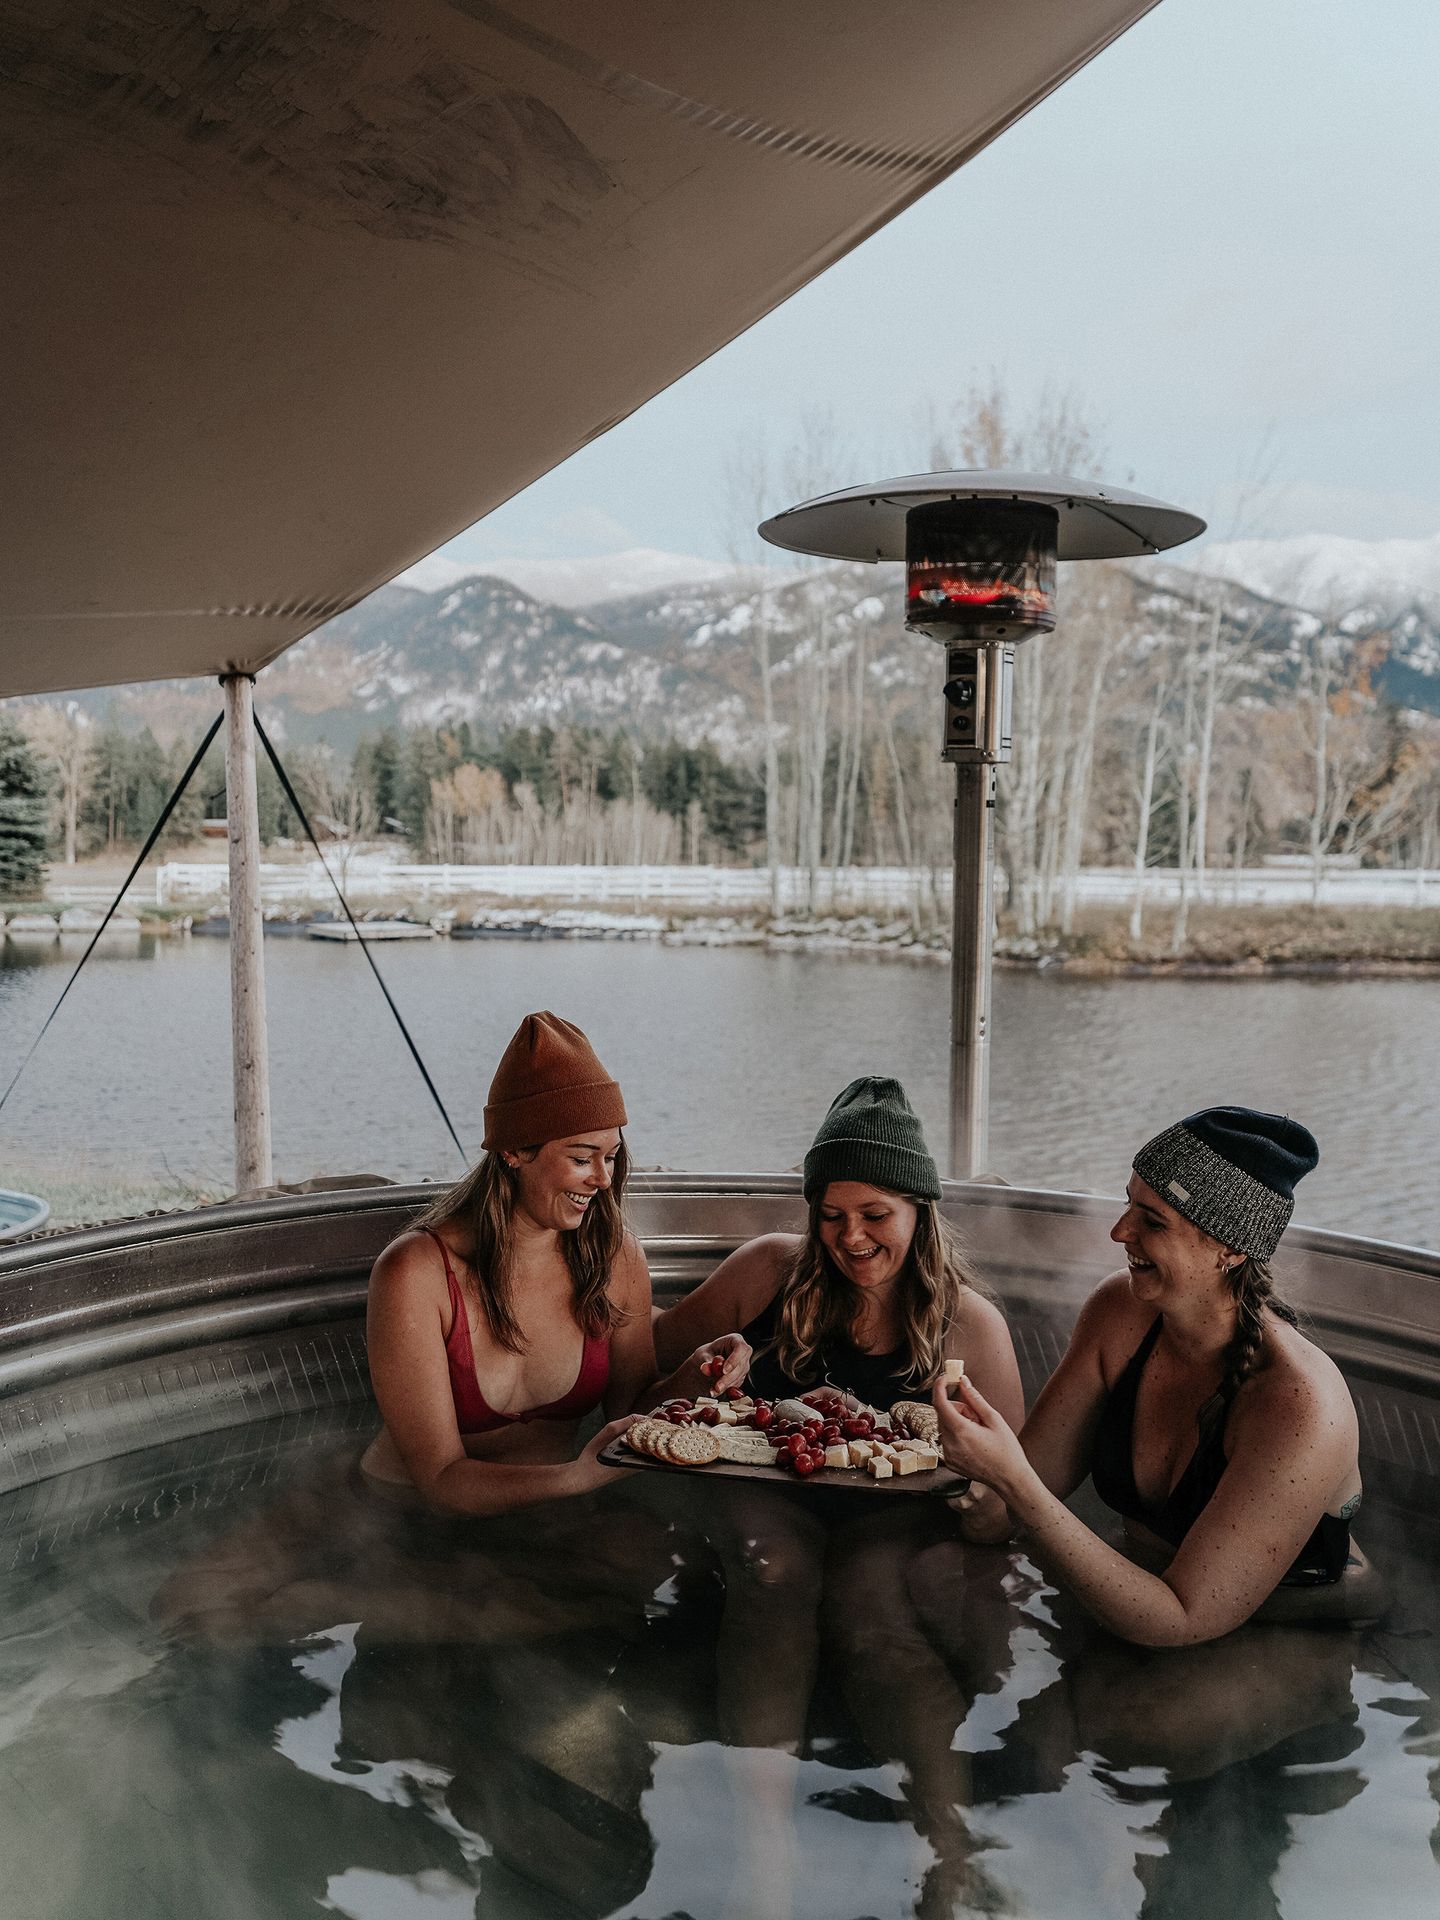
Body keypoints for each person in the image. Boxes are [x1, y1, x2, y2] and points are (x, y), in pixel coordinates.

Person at [653, 1077, 1024, 1917]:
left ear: (920, 1209)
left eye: (875, 1214)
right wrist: (708, 1374)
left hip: (890, 1518)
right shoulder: (765, 1276)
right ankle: (765, 1850)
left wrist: (980, 1498)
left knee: (870, 1597)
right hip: (766, 1494)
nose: (850, 1237)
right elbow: (642, 1392)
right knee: (776, 1564)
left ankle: (949, 1851)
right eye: (831, 1213)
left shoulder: (971, 1328)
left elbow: (1011, 1507)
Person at [928, 1105, 1384, 1645]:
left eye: (1153, 1220)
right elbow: (1008, 1510)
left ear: (1231, 1249)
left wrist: (1011, 1479)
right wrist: (964, 1476)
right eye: (1128, 1204)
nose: (1120, 1231)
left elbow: (1183, 1619)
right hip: (1145, 1593)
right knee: (921, 1584)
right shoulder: (1121, 1313)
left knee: (1133, 1721)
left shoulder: (1299, 1403)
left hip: (1295, 1621)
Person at [360, 1009, 745, 1516]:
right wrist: (576, 1477)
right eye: (583, 1158)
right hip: (404, 1517)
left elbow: (630, 1411)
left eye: (611, 1157)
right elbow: (439, 1478)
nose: (603, 1180)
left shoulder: (615, 1258)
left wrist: (694, 1380)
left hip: (549, 1507)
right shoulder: (418, 1273)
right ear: (515, 1150)